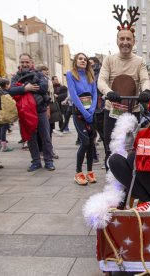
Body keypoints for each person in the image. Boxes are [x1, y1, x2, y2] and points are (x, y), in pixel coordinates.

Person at [98, 5, 150, 169]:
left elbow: (145, 79)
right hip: (111, 111)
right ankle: (110, 182)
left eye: (128, 39)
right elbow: (101, 81)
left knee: (130, 147)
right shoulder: (109, 59)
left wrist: (147, 91)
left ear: (134, 41)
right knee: (110, 147)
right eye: (122, 39)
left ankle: (127, 181)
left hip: (132, 111)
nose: (125, 42)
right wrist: (109, 92)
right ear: (117, 41)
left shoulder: (139, 61)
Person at [9, 53, 55, 172]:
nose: (24, 64)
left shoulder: (39, 74)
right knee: (31, 138)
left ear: (31, 62)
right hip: (25, 112)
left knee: (45, 136)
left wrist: (28, 87)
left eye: (27, 62)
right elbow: (11, 90)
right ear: (19, 63)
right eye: (22, 62)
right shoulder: (15, 76)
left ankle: (49, 161)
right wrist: (25, 88)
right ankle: (36, 161)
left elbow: (44, 87)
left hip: (40, 110)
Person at [66, 53, 98, 185]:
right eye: (80, 59)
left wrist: (91, 110)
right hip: (79, 112)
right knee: (84, 142)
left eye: (85, 59)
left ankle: (89, 171)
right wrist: (85, 112)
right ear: (75, 61)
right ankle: (78, 172)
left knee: (91, 143)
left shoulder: (91, 75)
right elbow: (73, 95)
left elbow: (95, 94)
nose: (83, 61)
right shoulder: (70, 75)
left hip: (91, 111)